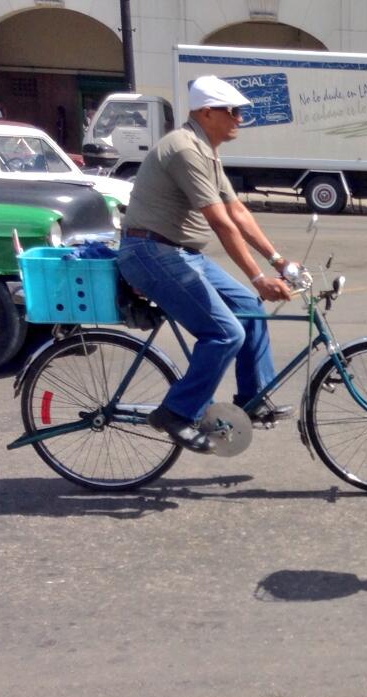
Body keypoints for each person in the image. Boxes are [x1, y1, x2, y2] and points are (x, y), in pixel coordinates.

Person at [116, 75, 297, 453]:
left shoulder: (207, 151)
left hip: (181, 253)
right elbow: (220, 222)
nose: (239, 120)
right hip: (151, 253)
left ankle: (253, 399)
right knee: (225, 333)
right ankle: (176, 412)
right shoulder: (184, 149)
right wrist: (258, 275)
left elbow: (238, 212)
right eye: (232, 112)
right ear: (206, 112)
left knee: (250, 307)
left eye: (240, 112)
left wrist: (279, 261)